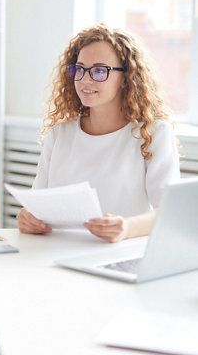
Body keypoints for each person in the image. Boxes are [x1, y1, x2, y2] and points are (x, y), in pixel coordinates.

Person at [17, 23, 179, 242]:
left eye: (100, 70)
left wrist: (126, 228)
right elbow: (37, 204)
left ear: (126, 78)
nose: (85, 79)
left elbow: (169, 211)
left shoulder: (154, 133)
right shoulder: (60, 133)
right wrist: (28, 218)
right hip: (57, 252)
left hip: (120, 254)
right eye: (80, 68)